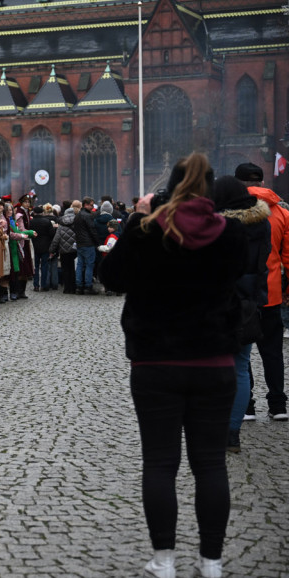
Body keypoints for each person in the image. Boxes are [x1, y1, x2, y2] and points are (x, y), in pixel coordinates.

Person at [100, 153, 244, 578]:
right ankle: (211, 562)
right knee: (211, 464)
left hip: (156, 361)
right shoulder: (230, 233)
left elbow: (113, 277)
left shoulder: (148, 230)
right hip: (214, 359)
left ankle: (164, 560)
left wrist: (139, 219)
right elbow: (238, 272)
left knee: (160, 463)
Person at [212, 175, 270, 454]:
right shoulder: (263, 223)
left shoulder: (220, 225)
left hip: (219, 302)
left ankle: (215, 426)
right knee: (241, 367)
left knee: (213, 365)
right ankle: (232, 433)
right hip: (249, 301)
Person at [234, 162, 289, 422]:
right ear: (263, 182)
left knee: (242, 351)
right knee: (272, 351)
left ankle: (247, 406)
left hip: (241, 294)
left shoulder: (229, 212)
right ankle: (278, 405)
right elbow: (288, 258)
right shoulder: (282, 213)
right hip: (272, 293)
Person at [73, 196, 100, 294]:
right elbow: (92, 230)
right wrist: (97, 243)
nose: (92, 207)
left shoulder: (78, 215)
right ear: (86, 204)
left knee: (80, 265)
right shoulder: (87, 216)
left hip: (80, 243)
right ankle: (88, 286)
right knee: (89, 265)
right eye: (91, 205)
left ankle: (79, 286)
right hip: (88, 244)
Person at [50, 208, 78, 294]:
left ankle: (67, 288)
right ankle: (73, 288)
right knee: (73, 269)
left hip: (63, 251)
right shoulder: (77, 223)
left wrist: (52, 249)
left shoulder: (61, 225)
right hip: (75, 250)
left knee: (65, 269)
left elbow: (56, 239)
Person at [30, 205, 57, 292]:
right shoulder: (47, 221)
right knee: (45, 266)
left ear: (34, 213)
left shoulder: (31, 222)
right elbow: (52, 234)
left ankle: (36, 285)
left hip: (34, 246)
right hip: (45, 246)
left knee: (36, 266)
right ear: (42, 213)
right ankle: (44, 285)